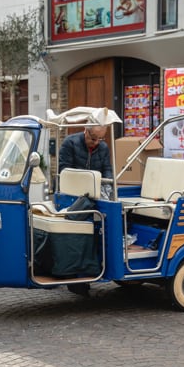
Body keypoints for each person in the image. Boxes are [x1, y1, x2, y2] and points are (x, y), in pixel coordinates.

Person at [58, 124, 113, 297]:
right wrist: (86, 183)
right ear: (85, 131)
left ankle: (92, 271)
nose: (96, 143)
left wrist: (108, 187)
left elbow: (107, 170)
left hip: (95, 196)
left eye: (100, 139)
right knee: (77, 237)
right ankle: (76, 278)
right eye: (93, 138)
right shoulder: (70, 143)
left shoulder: (103, 147)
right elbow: (64, 171)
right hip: (73, 196)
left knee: (97, 234)